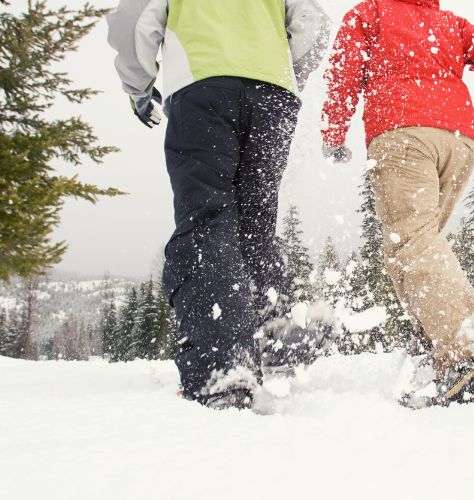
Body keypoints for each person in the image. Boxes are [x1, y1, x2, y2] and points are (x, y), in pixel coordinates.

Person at [321, 0, 474, 407]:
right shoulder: (448, 23)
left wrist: (333, 130)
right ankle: (437, 343)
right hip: (458, 141)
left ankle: (467, 349)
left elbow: (345, 67)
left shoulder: (372, 13)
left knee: (413, 242)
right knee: (413, 245)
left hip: (403, 131)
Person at [107, 0, 331, 410]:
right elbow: (312, 24)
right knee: (255, 224)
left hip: (204, 86)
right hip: (274, 96)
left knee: (208, 220)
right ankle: (274, 332)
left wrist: (139, 88)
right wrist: (279, 71)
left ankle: (225, 366)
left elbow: (133, 22)